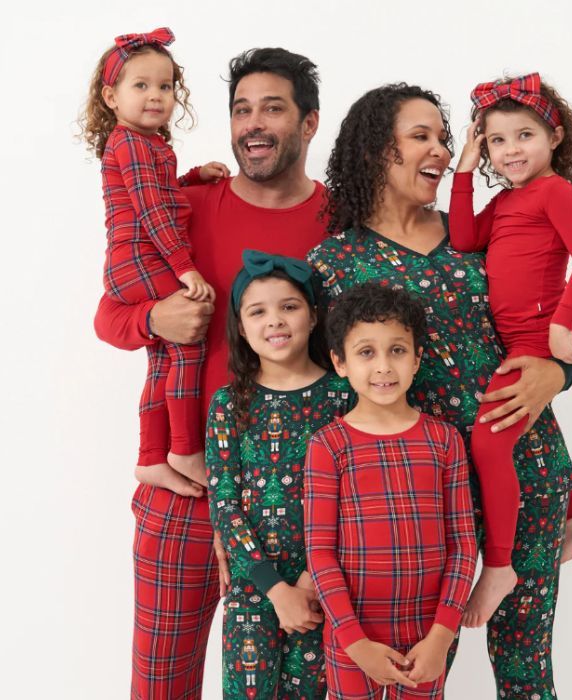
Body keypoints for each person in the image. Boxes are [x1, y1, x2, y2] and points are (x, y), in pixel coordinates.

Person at [308, 82, 572, 699]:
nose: (440, 148)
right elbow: (320, 390)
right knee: (416, 680)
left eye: (445, 135)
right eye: (421, 136)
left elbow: (559, 320)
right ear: (374, 152)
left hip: (524, 471)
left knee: (526, 671)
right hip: (418, 504)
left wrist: (559, 371)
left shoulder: (478, 233)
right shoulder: (332, 262)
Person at [93, 47, 325, 699]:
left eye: (272, 108)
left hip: (300, 503)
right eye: (241, 109)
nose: (253, 123)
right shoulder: (187, 204)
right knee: (161, 687)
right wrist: (154, 320)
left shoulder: (341, 227)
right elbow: (108, 317)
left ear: (309, 124)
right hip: (185, 494)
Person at [448, 72, 572, 627]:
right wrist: (464, 171)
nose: (511, 150)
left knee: (488, 445)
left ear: (555, 137)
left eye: (524, 136)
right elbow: (464, 239)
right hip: (510, 341)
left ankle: (500, 565)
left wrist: (565, 324)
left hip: (537, 338)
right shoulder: (507, 198)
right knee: (533, 427)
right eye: (497, 140)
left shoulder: (555, 192)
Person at [305, 283, 477, 699]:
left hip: (428, 638)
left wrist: (441, 636)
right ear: (340, 362)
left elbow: (464, 547)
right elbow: (320, 553)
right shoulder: (328, 446)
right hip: (354, 637)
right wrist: (354, 641)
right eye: (366, 352)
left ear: (417, 358)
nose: (383, 366)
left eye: (397, 350)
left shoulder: (444, 440)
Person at [80, 27, 230, 490]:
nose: (156, 96)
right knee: (188, 339)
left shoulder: (146, 146)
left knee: (163, 356)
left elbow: (160, 189)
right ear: (111, 96)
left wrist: (193, 175)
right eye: (140, 85)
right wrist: (185, 268)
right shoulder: (129, 143)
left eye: (165, 86)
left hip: (133, 262)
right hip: (140, 259)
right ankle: (184, 449)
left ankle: (150, 456)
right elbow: (153, 212)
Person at [206, 250, 355, 698]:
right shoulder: (229, 405)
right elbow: (225, 503)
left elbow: (355, 497)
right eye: (258, 311)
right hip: (255, 589)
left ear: (312, 317)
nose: (275, 320)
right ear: (242, 326)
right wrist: (275, 590)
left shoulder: (345, 396)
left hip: (324, 586)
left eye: (289, 306)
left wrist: (312, 579)